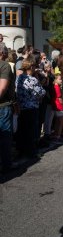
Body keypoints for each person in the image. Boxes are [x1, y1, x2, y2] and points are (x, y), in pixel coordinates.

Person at [15, 57, 46, 158]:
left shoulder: (19, 78)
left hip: (22, 107)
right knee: (31, 131)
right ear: (31, 66)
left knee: (22, 130)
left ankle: (21, 151)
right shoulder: (32, 79)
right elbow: (41, 92)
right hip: (31, 108)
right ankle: (31, 152)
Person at [0, 45, 16, 174]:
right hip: (3, 106)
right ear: (2, 53)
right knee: (5, 136)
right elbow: (2, 88)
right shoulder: (4, 65)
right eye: (5, 52)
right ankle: (6, 166)